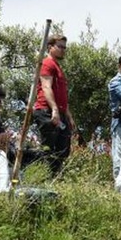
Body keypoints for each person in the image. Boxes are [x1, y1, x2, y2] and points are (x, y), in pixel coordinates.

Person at [32, 35, 75, 175]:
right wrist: (55, 110)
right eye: (60, 47)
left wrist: (68, 115)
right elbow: (46, 87)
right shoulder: (47, 63)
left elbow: (62, 95)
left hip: (59, 112)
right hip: (47, 110)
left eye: (64, 47)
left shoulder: (57, 66)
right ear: (50, 47)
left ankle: (54, 178)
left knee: (63, 149)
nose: (63, 50)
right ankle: (42, 176)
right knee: (48, 148)